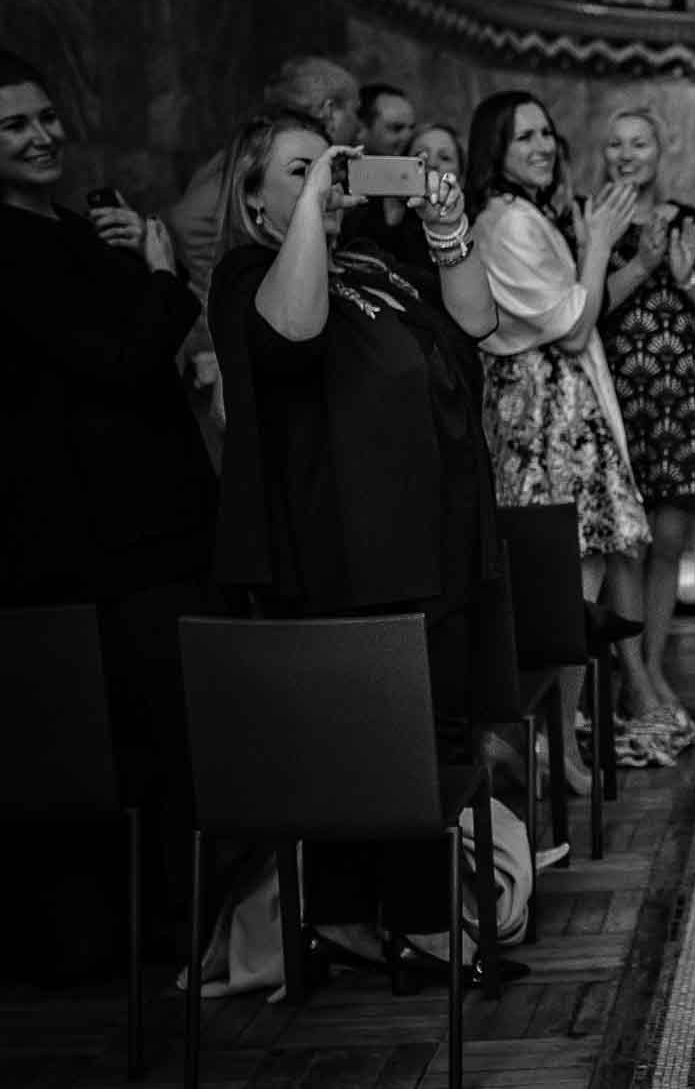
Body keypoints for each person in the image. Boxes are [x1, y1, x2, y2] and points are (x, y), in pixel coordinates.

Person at [206, 106, 518, 987]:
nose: (328, 182)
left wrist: (450, 233)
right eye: (299, 171)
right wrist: (310, 214)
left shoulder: (376, 265)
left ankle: (397, 921)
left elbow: (478, 323)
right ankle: (381, 925)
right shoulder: (247, 276)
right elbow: (294, 333)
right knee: (379, 746)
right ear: (254, 196)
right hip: (349, 550)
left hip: (439, 535)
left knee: (439, 737)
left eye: (332, 168)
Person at [0, 49, 218, 974]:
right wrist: (165, 280)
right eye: (15, 125)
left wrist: (138, 260)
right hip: (95, 542)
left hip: (152, 531)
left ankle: (188, 930)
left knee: (174, 742)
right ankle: (143, 946)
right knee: (133, 748)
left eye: (46, 117)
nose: (44, 134)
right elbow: (117, 363)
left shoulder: (73, 228)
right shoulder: (6, 248)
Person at [467, 90, 650, 794]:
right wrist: (598, 244)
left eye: (546, 133)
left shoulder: (531, 214)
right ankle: (550, 740)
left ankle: (559, 734)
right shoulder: (505, 223)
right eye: (525, 139)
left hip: (562, 418)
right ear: (497, 152)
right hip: (543, 423)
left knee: (580, 577)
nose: (543, 146)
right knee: (564, 584)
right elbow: (572, 323)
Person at [596, 107, 695, 767]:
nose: (628, 154)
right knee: (626, 541)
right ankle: (632, 680)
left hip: (677, 403)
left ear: (659, 150)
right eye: (616, 145)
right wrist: (643, 262)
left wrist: (683, 277)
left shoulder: (687, 222)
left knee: (670, 540)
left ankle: (649, 671)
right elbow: (581, 312)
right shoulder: (588, 220)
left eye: (640, 143)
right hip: (618, 403)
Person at [168, 55, 362, 454]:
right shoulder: (263, 149)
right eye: (356, 113)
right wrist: (218, 332)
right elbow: (190, 221)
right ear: (330, 110)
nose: (359, 127)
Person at [345, 82, 432, 272]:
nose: (408, 137)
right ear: (361, 129)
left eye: (412, 129)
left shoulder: (419, 184)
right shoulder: (340, 184)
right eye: (396, 128)